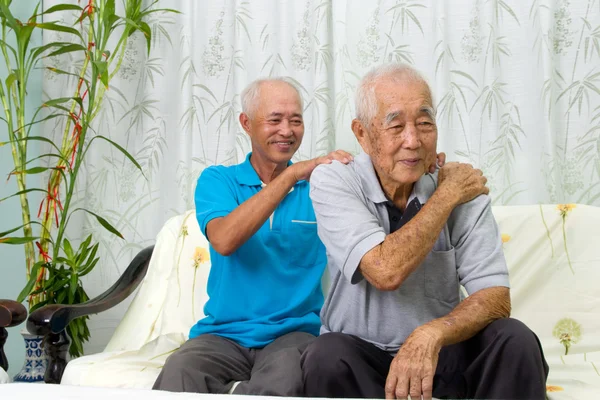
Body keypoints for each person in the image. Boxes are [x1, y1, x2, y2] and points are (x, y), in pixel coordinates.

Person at [302, 63, 549, 400]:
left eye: (424, 123)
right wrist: (445, 197)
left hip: (441, 353)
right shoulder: (334, 179)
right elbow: (384, 270)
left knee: (514, 339)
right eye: (396, 125)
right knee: (325, 357)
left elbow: (495, 298)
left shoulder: (462, 186)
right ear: (362, 134)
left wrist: (432, 334)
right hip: (362, 357)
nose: (413, 140)